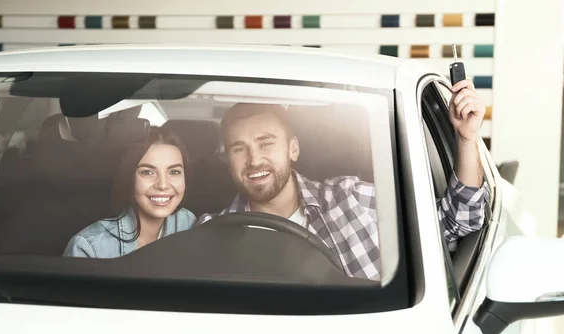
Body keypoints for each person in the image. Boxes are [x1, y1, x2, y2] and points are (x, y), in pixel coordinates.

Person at [197, 79, 489, 280]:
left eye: (266, 143)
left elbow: (458, 220)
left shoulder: (352, 198)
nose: (253, 160)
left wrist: (466, 138)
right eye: (239, 148)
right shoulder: (211, 234)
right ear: (227, 159)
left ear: (293, 148)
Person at [64, 126, 196, 258]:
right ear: (129, 177)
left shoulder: (190, 224)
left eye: (174, 172)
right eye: (147, 172)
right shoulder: (89, 248)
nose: (162, 185)